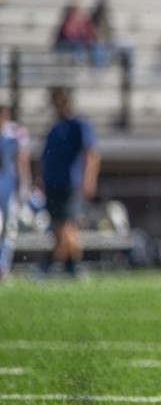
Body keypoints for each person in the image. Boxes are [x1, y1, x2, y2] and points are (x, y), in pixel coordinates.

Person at [37, 87, 99, 278]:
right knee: (60, 226)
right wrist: (39, 179)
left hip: (68, 183)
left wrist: (88, 180)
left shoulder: (79, 125)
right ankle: (72, 265)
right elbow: (45, 158)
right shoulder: (54, 128)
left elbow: (92, 154)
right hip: (52, 182)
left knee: (66, 225)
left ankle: (51, 265)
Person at [0, 104, 32, 283]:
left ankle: (3, 266)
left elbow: (22, 160)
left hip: (10, 185)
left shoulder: (16, 132)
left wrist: (24, 187)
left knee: (10, 227)